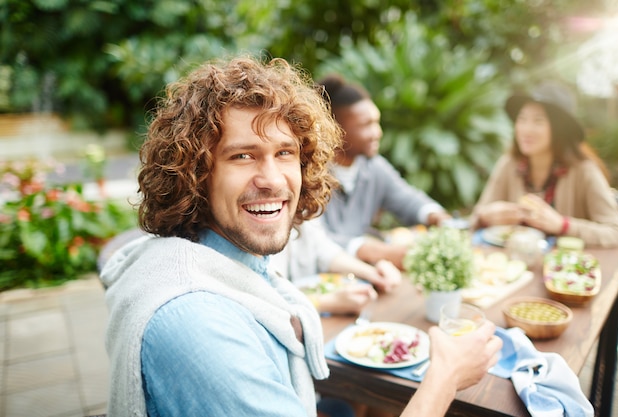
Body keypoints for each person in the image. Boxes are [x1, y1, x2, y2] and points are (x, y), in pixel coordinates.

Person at [100, 55, 501, 417]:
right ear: (194, 173)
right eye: (242, 155)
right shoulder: (196, 323)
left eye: (285, 153)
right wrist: (445, 376)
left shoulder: (230, 265)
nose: (273, 180)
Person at [316, 74, 451, 270]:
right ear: (333, 129)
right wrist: (372, 250)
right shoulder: (310, 175)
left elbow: (408, 199)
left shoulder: (373, 167)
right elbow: (313, 242)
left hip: (372, 275)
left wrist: (436, 216)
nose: (377, 133)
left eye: (376, 122)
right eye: (365, 125)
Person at [471, 80, 618, 248]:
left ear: (559, 129)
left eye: (538, 121)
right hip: (512, 268)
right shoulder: (509, 164)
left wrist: (563, 225)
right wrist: (485, 216)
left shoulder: (584, 170)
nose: (526, 129)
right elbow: (474, 219)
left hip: (563, 269)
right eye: (522, 119)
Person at [270, 217, 401, 315]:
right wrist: (328, 302)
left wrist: (372, 273)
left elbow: (325, 251)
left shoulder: (302, 211)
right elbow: (270, 306)